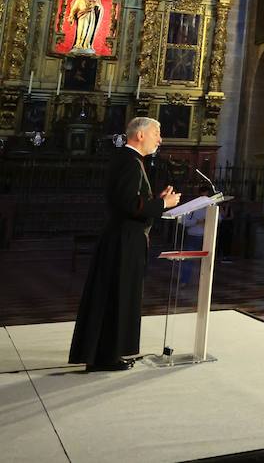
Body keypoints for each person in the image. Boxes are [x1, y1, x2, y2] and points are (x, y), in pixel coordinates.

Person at [68, 117, 181, 372]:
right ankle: (107, 356)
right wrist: (163, 204)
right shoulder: (130, 162)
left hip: (123, 238)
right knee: (118, 297)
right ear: (140, 135)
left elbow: (133, 201)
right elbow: (129, 205)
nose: (160, 139)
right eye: (156, 133)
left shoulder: (129, 161)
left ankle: (105, 353)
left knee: (114, 296)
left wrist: (155, 200)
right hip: (124, 240)